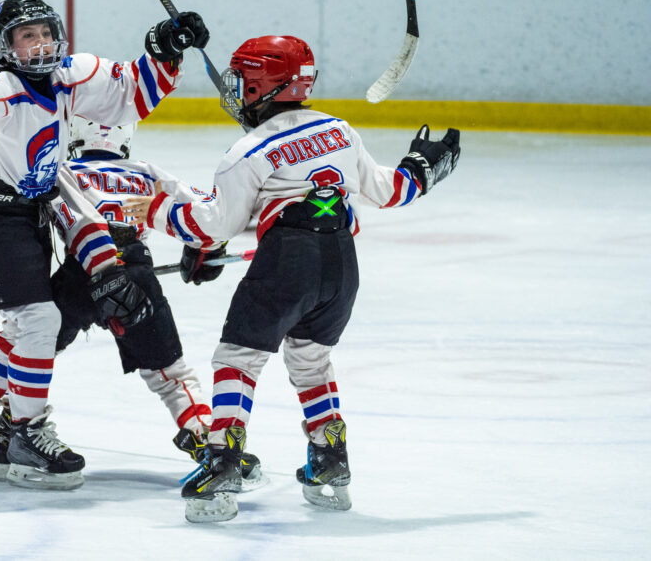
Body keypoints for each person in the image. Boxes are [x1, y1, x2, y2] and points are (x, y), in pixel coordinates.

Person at [0, 0, 209, 490]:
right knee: (40, 321)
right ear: (5, 46)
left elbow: (129, 96)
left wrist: (165, 48)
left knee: (26, 329)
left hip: (37, 214)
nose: (41, 43)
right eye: (27, 36)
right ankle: (26, 432)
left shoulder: (71, 75)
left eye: (46, 32)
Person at [124, 35, 461, 521]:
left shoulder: (250, 149)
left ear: (264, 85)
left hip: (287, 263)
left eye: (241, 81)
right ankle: (330, 460)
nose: (235, 90)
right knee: (310, 359)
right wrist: (423, 168)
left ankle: (222, 460)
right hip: (342, 266)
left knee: (238, 358)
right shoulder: (339, 131)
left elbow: (216, 223)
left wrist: (160, 212)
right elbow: (388, 191)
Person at [47, 116, 264, 487]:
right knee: (170, 374)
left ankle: (12, 418)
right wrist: (204, 251)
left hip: (79, 273)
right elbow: (208, 215)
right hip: (134, 275)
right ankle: (205, 438)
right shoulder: (144, 172)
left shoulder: (63, 170)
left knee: (33, 351)